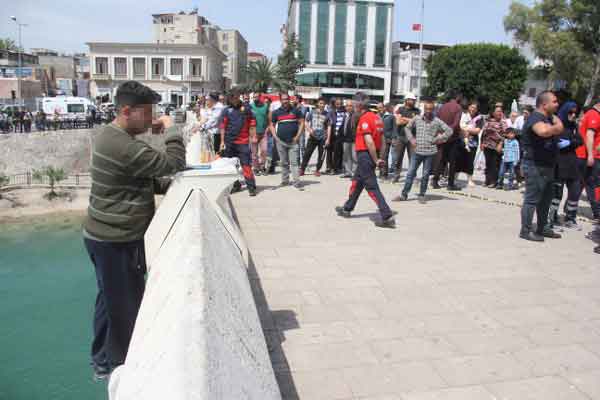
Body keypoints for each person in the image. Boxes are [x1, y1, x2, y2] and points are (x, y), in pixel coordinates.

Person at [83, 81, 186, 380]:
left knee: (108, 299)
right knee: (125, 307)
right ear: (127, 111)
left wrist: (167, 186)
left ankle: (101, 360)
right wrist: (171, 127)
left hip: (101, 236)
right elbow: (174, 162)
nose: (153, 117)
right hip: (115, 240)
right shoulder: (122, 144)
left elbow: (137, 179)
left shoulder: (111, 135)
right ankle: (122, 366)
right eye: (148, 112)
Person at [335, 92, 395, 228]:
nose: (352, 107)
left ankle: (387, 216)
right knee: (357, 183)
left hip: (366, 156)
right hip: (371, 155)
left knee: (371, 186)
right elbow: (383, 140)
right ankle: (347, 208)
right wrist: (380, 156)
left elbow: (369, 141)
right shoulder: (377, 118)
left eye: (354, 104)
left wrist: (376, 160)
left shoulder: (364, 119)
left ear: (359, 105)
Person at [519, 91, 564, 242]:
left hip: (547, 165)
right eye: (555, 101)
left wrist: (555, 122)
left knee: (546, 199)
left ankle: (542, 227)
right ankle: (525, 231)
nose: (558, 104)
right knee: (532, 199)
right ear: (544, 104)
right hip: (535, 165)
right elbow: (543, 131)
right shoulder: (536, 118)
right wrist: (558, 126)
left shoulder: (548, 117)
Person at [394, 99, 452, 203]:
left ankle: (422, 195)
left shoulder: (437, 121)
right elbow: (407, 128)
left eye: (431, 109)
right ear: (424, 109)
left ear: (433, 110)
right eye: (427, 109)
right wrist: (411, 139)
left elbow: (449, 131)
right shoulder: (417, 118)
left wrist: (438, 139)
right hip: (417, 151)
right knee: (410, 173)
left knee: (425, 175)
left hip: (429, 152)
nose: (429, 111)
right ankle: (404, 195)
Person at [546, 101, 583, 229]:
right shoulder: (557, 124)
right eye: (570, 112)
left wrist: (570, 143)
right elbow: (553, 141)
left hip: (572, 163)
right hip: (559, 163)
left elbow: (580, 140)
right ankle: (552, 218)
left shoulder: (574, 126)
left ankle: (570, 218)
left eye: (575, 113)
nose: (573, 115)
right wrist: (568, 143)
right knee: (557, 193)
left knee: (575, 191)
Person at [219, 90, 258, 197]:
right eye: (232, 98)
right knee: (231, 166)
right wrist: (222, 141)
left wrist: (253, 136)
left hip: (243, 142)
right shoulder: (226, 110)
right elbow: (223, 126)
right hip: (230, 142)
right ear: (230, 99)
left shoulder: (247, 108)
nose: (234, 99)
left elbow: (252, 123)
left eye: (236, 97)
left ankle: (251, 187)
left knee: (246, 166)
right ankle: (236, 185)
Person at [271, 93, 305, 190]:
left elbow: (302, 122)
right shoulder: (276, 112)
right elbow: (271, 125)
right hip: (281, 141)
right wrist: (275, 137)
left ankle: (296, 182)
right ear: (280, 100)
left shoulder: (296, 111)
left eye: (286, 99)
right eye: (283, 99)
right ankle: (285, 181)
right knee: (284, 162)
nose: (285, 101)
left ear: (289, 99)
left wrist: (298, 136)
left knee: (294, 163)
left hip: (293, 142)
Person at [575, 97, 600, 222]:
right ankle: (597, 212)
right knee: (593, 184)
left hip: (588, 156)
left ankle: (571, 211)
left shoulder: (592, 114)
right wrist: (591, 155)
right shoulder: (594, 115)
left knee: (584, 184)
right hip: (589, 156)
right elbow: (590, 135)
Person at [391, 93, 421, 183]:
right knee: (398, 157)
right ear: (407, 100)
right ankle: (396, 175)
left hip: (412, 137)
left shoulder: (417, 111)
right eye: (412, 100)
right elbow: (398, 122)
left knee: (413, 158)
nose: (413, 101)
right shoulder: (400, 109)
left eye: (414, 100)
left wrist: (405, 119)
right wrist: (411, 120)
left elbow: (418, 122)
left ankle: (413, 176)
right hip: (401, 137)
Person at [300, 97, 329, 177]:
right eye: (320, 103)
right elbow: (306, 121)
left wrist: (328, 139)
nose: (322, 105)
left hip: (322, 137)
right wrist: (310, 130)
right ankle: (302, 169)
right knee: (307, 153)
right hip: (313, 136)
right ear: (317, 104)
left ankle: (317, 170)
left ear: (325, 104)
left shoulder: (327, 114)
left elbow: (329, 126)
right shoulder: (312, 112)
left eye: (323, 103)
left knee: (321, 155)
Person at [481, 105, 508, 187]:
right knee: (488, 164)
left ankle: (494, 181)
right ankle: (487, 180)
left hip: (497, 146)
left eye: (500, 111)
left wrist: (500, 144)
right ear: (493, 113)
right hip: (487, 145)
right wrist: (481, 143)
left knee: (495, 164)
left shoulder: (503, 123)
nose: (500, 113)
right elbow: (484, 133)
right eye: (498, 111)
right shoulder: (488, 121)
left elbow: (505, 135)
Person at [459, 102, 483, 186]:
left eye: (475, 108)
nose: (473, 109)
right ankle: (454, 177)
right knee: (459, 159)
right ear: (468, 107)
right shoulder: (463, 115)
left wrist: (467, 129)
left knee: (470, 161)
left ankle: (470, 179)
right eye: (471, 107)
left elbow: (477, 130)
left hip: (473, 143)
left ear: (477, 109)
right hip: (461, 141)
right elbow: (459, 126)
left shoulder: (479, 118)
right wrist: (468, 129)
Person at [250, 92, 270, 174]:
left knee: (264, 151)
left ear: (260, 97)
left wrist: (268, 128)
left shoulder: (265, 106)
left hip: (263, 133)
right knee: (254, 153)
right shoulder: (250, 106)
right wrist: (251, 133)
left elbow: (269, 119)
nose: (255, 98)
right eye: (254, 97)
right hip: (253, 133)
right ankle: (255, 168)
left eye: (257, 97)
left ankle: (262, 167)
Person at [326, 98, 345, 174]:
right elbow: (327, 122)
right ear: (334, 104)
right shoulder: (331, 112)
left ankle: (336, 167)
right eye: (337, 104)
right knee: (329, 152)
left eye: (340, 104)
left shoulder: (344, 112)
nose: (339, 105)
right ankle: (330, 167)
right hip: (332, 134)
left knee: (338, 152)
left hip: (340, 136)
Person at [380, 103, 398, 181]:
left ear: (385, 108)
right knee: (382, 156)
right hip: (380, 139)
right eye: (378, 108)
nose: (379, 109)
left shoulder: (391, 116)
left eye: (381, 107)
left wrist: (394, 138)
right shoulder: (378, 116)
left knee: (385, 156)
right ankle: (381, 172)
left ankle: (384, 174)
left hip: (387, 139)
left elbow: (395, 128)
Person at [341, 100, 357, 178]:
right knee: (346, 156)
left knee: (354, 157)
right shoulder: (345, 115)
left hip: (354, 140)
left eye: (350, 105)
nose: (348, 107)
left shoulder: (356, 115)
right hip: (345, 139)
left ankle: (354, 173)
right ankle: (348, 172)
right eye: (347, 106)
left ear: (353, 106)